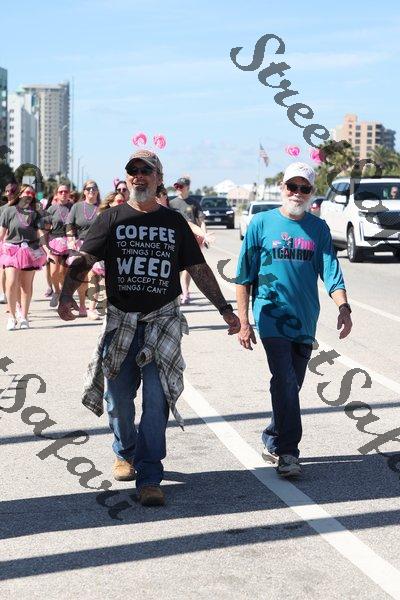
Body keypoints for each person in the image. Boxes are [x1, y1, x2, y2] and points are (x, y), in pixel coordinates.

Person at [58, 149, 240, 506]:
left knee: (157, 401)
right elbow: (85, 259)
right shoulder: (111, 219)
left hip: (162, 322)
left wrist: (225, 309)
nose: (138, 175)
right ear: (127, 177)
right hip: (121, 322)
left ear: (159, 178)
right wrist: (65, 296)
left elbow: (198, 267)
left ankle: (150, 475)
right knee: (118, 401)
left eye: (146, 170)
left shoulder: (173, 222)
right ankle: (125, 451)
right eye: (133, 170)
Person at [236, 162, 352, 477]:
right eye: (292, 186)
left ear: (311, 193)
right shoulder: (261, 223)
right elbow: (244, 276)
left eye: (304, 188)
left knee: (292, 384)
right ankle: (289, 453)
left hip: (304, 319)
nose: (297, 193)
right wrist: (244, 321)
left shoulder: (318, 228)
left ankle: (273, 436)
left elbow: (331, 272)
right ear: (282, 187)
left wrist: (344, 308)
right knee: (285, 379)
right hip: (270, 315)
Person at [0, 184, 50, 330]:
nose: (29, 195)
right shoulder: (9, 211)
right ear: (20, 194)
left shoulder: (35, 213)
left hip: (30, 251)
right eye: (27, 192)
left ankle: (24, 317)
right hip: (12, 250)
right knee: (11, 282)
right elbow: (1, 234)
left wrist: (47, 250)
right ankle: (12, 317)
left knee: (26, 286)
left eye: (32, 193)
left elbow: (41, 233)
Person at [66, 180, 102, 320]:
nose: (91, 190)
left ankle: (91, 308)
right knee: (82, 277)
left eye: (94, 188)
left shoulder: (101, 207)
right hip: (81, 244)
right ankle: (82, 305)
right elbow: (69, 225)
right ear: (84, 191)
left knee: (94, 276)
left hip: (97, 245)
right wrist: (70, 239)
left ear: (97, 191)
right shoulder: (77, 207)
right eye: (88, 188)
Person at [169, 176, 207, 304]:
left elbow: (201, 221)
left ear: (187, 187)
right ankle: (180, 291)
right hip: (177, 239)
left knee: (188, 267)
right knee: (177, 268)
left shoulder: (194, 203)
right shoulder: (172, 203)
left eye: (181, 186)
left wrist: (204, 235)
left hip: (192, 239)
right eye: (177, 186)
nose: (178, 188)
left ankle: (185, 291)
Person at [45, 184, 72, 307]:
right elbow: (45, 229)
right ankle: (56, 291)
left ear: (69, 193)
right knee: (53, 272)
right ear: (56, 194)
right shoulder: (52, 209)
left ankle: (65, 294)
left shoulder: (73, 207)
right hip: (54, 242)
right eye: (61, 192)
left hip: (68, 242)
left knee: (62, 272)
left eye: (65, 191)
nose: (63, 194)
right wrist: (45, 246)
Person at [0, 182, 19, 304]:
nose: (9, 193)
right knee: (3, 269)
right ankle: (4, 293)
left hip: (17, 243)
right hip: (4, 242)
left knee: (16, 273)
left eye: (12, 191)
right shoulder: (2, 209)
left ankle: (14, 297)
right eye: (7, 191)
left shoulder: (20, 208)